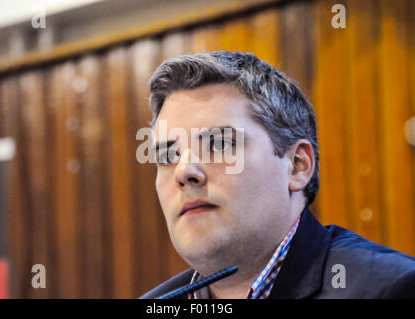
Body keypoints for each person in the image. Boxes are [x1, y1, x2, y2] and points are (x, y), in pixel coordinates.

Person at [140, 51, 415, 299]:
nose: (184, 171)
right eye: (168, 156)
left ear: (297, 166)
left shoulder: (393, 288)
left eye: (219, 144)